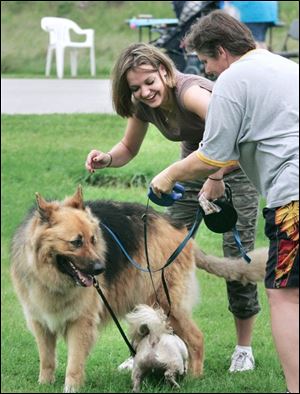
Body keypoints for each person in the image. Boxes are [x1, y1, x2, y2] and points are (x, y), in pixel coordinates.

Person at [85, 42, 261, 373]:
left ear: (165, 72)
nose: (144, 91)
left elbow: (236, 135)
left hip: (236, 170)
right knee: (155, 255)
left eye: (149, 82)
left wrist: (218, 175)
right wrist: (107, 158)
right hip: (193, 171)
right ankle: (149, 344)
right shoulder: (143, 104)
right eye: (135, 88)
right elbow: (127, 147)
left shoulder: (190, 93)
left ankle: (243, 348)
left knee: (238, 254)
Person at [150, 11, 299, 393]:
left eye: (206, 62)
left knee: (285, 296)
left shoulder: (233, 78)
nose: (208, 71)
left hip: (293, 197)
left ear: (221, 51)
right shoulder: (283, 66)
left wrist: (168, 175)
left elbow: (212, 154)